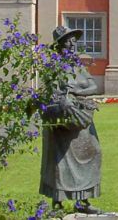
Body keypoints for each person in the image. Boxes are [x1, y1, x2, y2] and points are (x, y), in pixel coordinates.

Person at [39, 25, 102, 216]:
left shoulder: (79, 67)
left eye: (74, 40)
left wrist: (77, 92)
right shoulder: (54, 67)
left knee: (94, 152)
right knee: (60, 162)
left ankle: (83, 201)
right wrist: (63, 100)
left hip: (81, 120)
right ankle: (57, 204)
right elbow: (49, 93)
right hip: (63, 122)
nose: (73, 43)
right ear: (59, 46)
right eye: (68, 40)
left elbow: (93, 87)